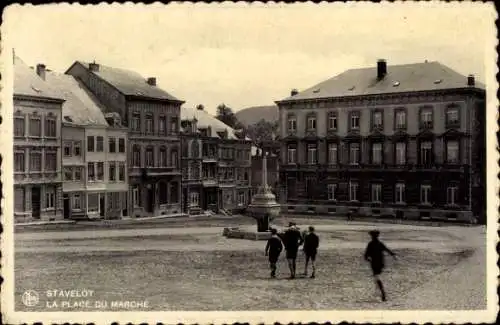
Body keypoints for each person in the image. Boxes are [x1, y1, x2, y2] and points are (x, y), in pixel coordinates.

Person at [364, 230, 397, 302]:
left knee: (377, 278)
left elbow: (366, 256)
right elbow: (387, 250)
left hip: (374, 264)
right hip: (381, 263)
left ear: (371, 236)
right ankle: (379, 292)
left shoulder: (370, 244)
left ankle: (382, 293)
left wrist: (368, 259)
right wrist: (393, 255)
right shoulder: (380, 243)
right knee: (377, 277)